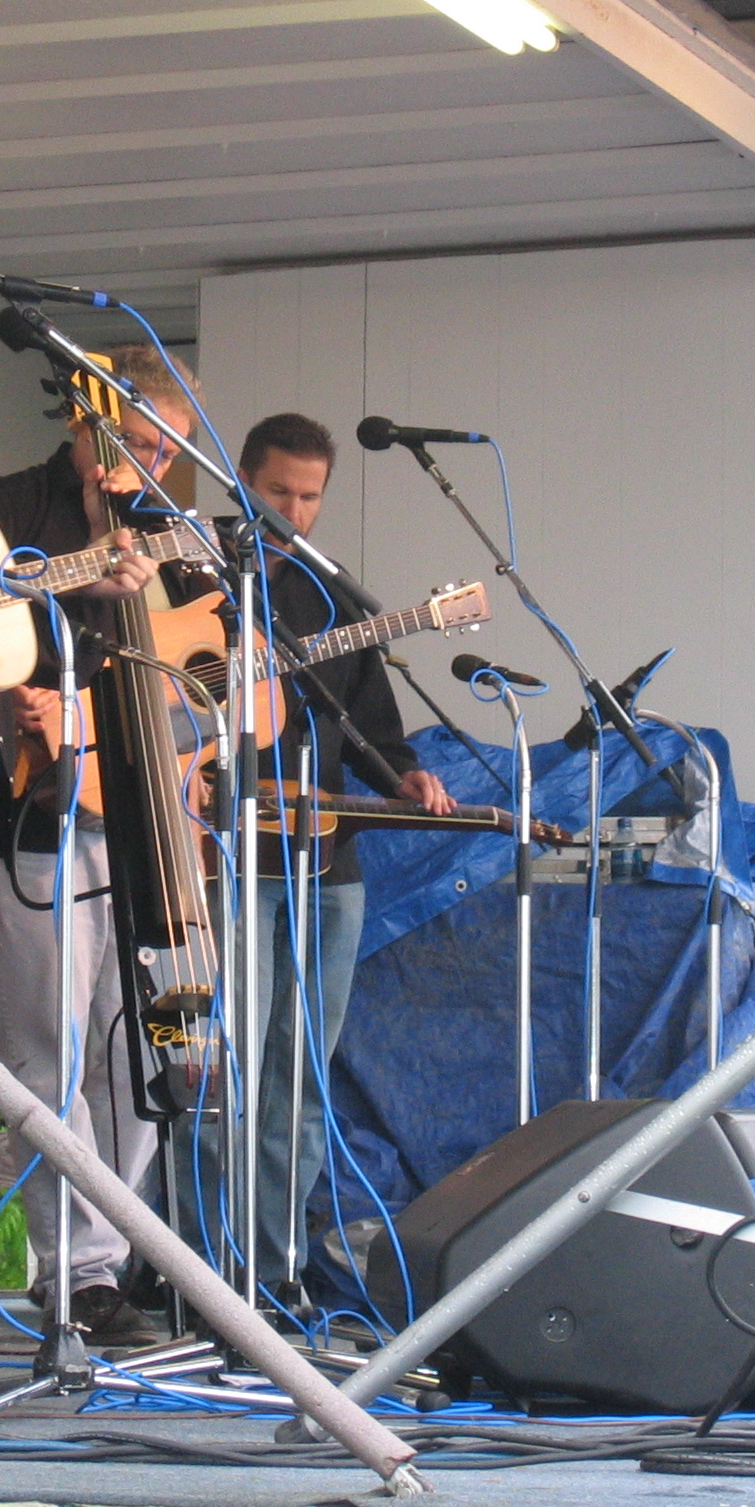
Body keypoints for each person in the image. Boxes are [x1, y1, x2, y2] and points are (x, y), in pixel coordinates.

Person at [0, 345, 192, 1346]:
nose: (144, 465)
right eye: (134, 441)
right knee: (48, 1047)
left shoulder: (172, 533)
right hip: (44, 812)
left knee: (154, 1046)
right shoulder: (14, 507)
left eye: (165, 452)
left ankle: (124, 1249)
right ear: (85, 424)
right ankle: (73, 1271)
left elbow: (209, 671)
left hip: (154, 820)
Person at [235, 413, 450, 1310]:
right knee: (220, 1068)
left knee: (302, 1075)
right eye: (279, 491)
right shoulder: (194, 580)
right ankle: (199, 1264)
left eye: (310, 496)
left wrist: (406, 775)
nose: (295, 510)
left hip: (329, 865)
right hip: (224, 858)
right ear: (242, 480)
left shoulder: (338, 600)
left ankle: (275, 1271)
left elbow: (374, 733)